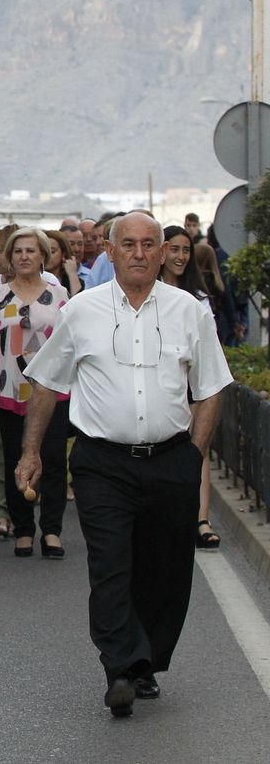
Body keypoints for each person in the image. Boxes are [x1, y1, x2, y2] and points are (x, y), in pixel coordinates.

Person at [17, 212, 231, 717]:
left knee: (163, 569)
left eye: (148, 244)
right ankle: (118, 667)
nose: (138, 253)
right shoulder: (83, 309)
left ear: (163, 252)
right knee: (110, 564)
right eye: (128, 244)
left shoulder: (189, 311)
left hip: (170, 459)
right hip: (102, 462)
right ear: (109, 252)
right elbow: (47, 382)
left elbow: (212, 388)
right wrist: (30, 452)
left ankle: (145, 662)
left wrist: (193, 455)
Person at [0, 228, 69, 560]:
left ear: (43, 255)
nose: (25, 256)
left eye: (31, 250)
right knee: (16, 457)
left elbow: (71, 345)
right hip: (6, 389)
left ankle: (53, 530)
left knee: (54, 459)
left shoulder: (60, 296)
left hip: (52, 391)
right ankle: (24, 529)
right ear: (9, 258)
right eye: (18, 252)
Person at [158, 225, 223, 550]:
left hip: (191, 386)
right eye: (175, 249)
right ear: (161, 251)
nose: (181, 256)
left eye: (186, 250)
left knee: (198, 449)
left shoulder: (198, 298)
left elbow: (208, 349)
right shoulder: (148, 293)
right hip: (159, 386)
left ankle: (201, 519)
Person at [44, 228, 82, 297]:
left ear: (63, 254)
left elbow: (78, 303)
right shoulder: (31, 278)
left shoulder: (71, 280)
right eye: (43, 251)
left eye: (52, 251)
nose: (47, 256)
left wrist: (72, 275)